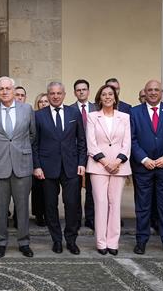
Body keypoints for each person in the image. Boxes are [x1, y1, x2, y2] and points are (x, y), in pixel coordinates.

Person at [130, 79, 163, 256]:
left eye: (156, 90)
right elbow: (131, 139)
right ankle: (141, 241)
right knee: (143, 206)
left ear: (161, 92)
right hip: (143, 167)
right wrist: (144, 159)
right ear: (144, 92)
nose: (153, 93)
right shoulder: (134, 112)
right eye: (149, 90)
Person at [33, 81, 87, 255]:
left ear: (64, 94)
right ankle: (56, 240)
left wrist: (81, 163)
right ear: (47, 95)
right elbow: (34, 144)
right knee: (50, 205)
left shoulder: (74, 112)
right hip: (48, 169)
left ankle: (71, 240)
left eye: (58, 93)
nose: (55, 96)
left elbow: (82, 141)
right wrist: (37, 166)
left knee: (72, 204)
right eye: (52, 93)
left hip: (71, 167)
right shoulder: (39, 115)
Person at [0, 76, 36, 258]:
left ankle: (24, 242)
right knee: (0, 208)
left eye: (8, 88)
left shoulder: (27, 109)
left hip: (22, 165)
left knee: (22, 207)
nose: (5, 92)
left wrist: (20, 150)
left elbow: (32, 135)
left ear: (14, 91)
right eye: (1, 89)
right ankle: (1, 242)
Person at [86, 84, 131, 255]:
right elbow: (91, 143)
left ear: (115, 97)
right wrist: (105, 162)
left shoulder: (124, 117)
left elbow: (127, 143)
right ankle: (101, 242)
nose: (107, 97)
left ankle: (113, 242)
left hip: (119, 166)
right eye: (104, 94)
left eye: (110, 94)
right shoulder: (92, 117)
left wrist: (117, 161)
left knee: (115, 204)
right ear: (99, 98)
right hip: (98, 166)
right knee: (101, 203)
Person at [73, 78, 97, 231]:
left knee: (92, 188)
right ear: (75, 92)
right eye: (78, 90)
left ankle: (90, 218)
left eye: (84, 89)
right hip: (75, 154)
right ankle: (76, 219)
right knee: (75, 189)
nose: (81, 92)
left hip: (95, 154)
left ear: (88, 91)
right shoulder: (69, 109)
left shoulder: (97, 108)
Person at [31, 92, 49, 227]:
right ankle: (39, 214)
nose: (43, 103)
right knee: (37, 189)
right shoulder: (34, 117)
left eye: (46, 101)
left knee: (49, 189)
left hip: (50, 158)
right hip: (36, 157)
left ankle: (48, 213)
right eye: (41, 101)